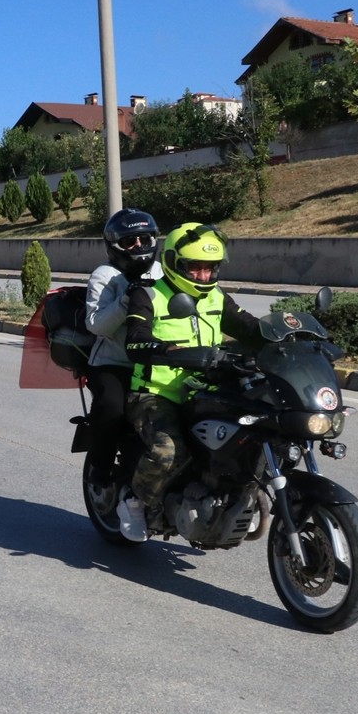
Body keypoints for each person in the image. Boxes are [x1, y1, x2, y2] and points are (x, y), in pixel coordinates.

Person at [119, 222, 262, 542]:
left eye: (210, 269)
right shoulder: (149, 295)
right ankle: (134, 501)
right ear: (172, 262)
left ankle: (242, 495)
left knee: (254, 430)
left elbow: (250, 329)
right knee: (169, 450)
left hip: (205, 389)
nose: (203, 276)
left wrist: (290, 339)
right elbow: (135, 340)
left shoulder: (216, 298)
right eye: (194, 268)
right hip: (155, 394)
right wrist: (166, 350)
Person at [84, 209, 163, 489]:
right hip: (113, 362)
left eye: (144, 239)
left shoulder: (161, 270)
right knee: (111, 406)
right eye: (130, 242)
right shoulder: (105, 275)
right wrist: (125, 301)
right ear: (114, 245)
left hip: (156, 360)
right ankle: (100, 468)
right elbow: (95, 324)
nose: (138, 247)